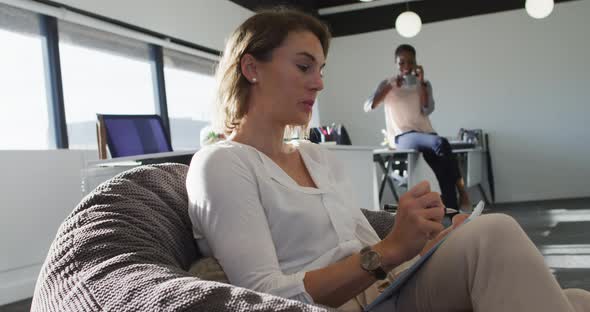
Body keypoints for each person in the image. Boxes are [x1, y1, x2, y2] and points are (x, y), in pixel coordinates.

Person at [186, 7, 590, 312]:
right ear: (251, 67)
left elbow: (368, 248)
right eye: (304, 66)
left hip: (389, 285)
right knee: (495, 235)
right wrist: (394, 248)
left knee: (577, 298)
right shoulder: (222, 164)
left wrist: (428, 243)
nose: (320, 82)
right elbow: (264, 297)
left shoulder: (317, 157)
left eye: (321, 69)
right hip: (348, 303)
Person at [363, 45, 471, 212]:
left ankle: (453, 214)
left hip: (426, 135)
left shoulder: (424, 84)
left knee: (443, 172)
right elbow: (369, 106)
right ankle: (463, 192)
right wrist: (390, 87)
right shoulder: (387, 84)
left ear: (416, 63)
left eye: (410, 62)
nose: (406, 66)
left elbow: (427, 109)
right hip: (403, 136)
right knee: (441, 143)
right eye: (401, 62)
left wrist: (420, 83)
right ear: (395, 63)